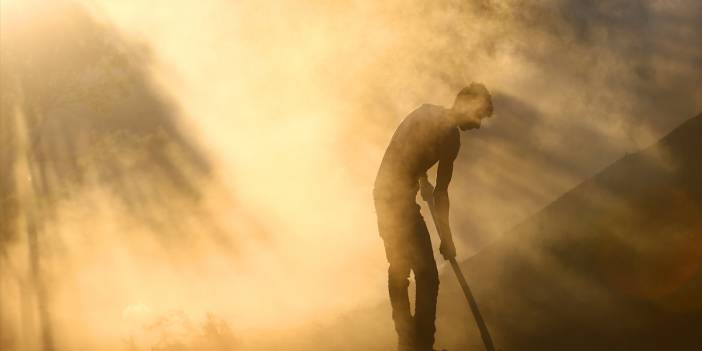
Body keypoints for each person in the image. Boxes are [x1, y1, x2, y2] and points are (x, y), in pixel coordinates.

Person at [373, 83, 493, 351]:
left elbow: (408, 151)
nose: (478, 125)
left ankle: (408, 341)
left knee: (400, 270)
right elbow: (441, 194)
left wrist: (420, 175)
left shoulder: (426, 112)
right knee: (426, 276)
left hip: (383, 195)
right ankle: (419, 344)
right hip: (398, 202)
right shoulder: (451, 138)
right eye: (479, 116)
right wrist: (447, 239)